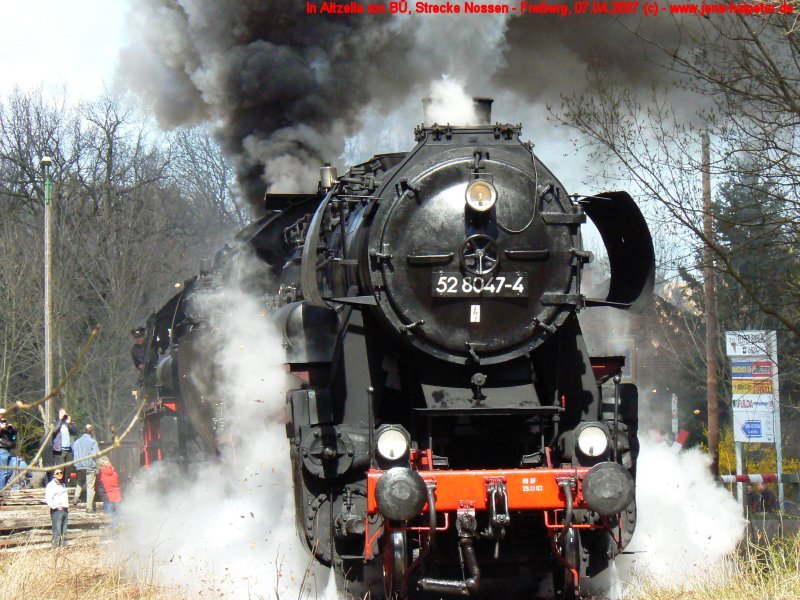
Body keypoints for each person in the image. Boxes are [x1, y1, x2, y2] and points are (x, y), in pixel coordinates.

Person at [72, 424, 99, 511]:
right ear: (92, 432)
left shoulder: (76, 442)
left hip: (79, 466)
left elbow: (74, 453)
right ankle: (89, 507)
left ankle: (76, 497)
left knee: (80, 481)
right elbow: (96, 454)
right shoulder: (92, 442)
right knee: (90, 487)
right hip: (90, 466)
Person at [51, 408, 78, 485]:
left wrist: (69, 423)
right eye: (62, 413)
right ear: (59, 414)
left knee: (68, 470)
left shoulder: (69, 423)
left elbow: (75, 432)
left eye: (65, 413)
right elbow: (54, 430)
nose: (64, 415)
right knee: (60, 469)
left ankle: (65, 485)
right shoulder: (55, 422)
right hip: (59, 450)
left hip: (69, 450)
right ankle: (59, 484)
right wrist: (60, 420)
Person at [45, 468, 69, 547]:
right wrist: (56, 506)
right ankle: (55, 549)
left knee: (64, 531)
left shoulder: (63, 484)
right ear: (54, 475)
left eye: (61, 473)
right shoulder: (50, 485)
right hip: (57, 511)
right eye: (57, 473)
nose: (59, 474)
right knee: (57, 531)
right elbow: (48, 499)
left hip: (65, 510)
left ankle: (63, 548)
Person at [97, 456, 122, 529]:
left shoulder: (100, 475)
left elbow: (98, 487)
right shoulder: (115, 474)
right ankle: (115, 535)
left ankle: (107, 536)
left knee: (107, 520)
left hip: (108, 498)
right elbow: (117, 483)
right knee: (116, 519)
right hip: (117, 497)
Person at [0, 408, 17, 487]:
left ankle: (2, 486)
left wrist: (13, 430)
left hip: (9, 449)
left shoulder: (7, 423)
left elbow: (13, 436)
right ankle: (1, 492)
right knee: (3, 472)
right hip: (2, 449)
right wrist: (1, 429)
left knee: (10, 471)